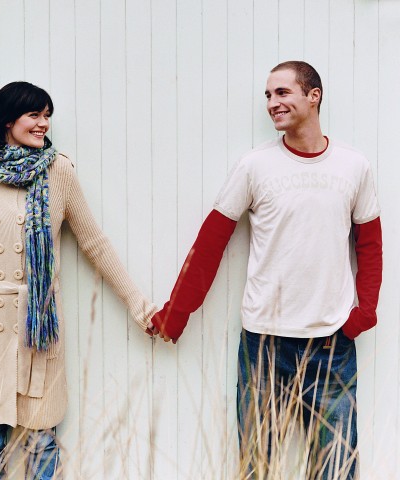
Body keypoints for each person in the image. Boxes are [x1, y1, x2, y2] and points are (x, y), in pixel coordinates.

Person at [148, 61, 382, 479]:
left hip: (332, 346)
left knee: (337, 468)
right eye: (268, 97)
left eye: (282, 93)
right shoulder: (254, 166)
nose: (273, 104)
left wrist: (364, 313)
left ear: (314, 96)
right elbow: (210, 244)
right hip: (265, 346)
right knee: (258, 467)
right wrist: (176, 313)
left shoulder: (354, 166)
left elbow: (370, 245)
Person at [0, 81, 157, 479]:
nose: (44, 124)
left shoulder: (59, 172)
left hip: (35, 326)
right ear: (7, 120)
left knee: (41, 442)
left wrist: (139, 305)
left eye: (47, 116)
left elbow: (95, 243)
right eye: (34, 115)